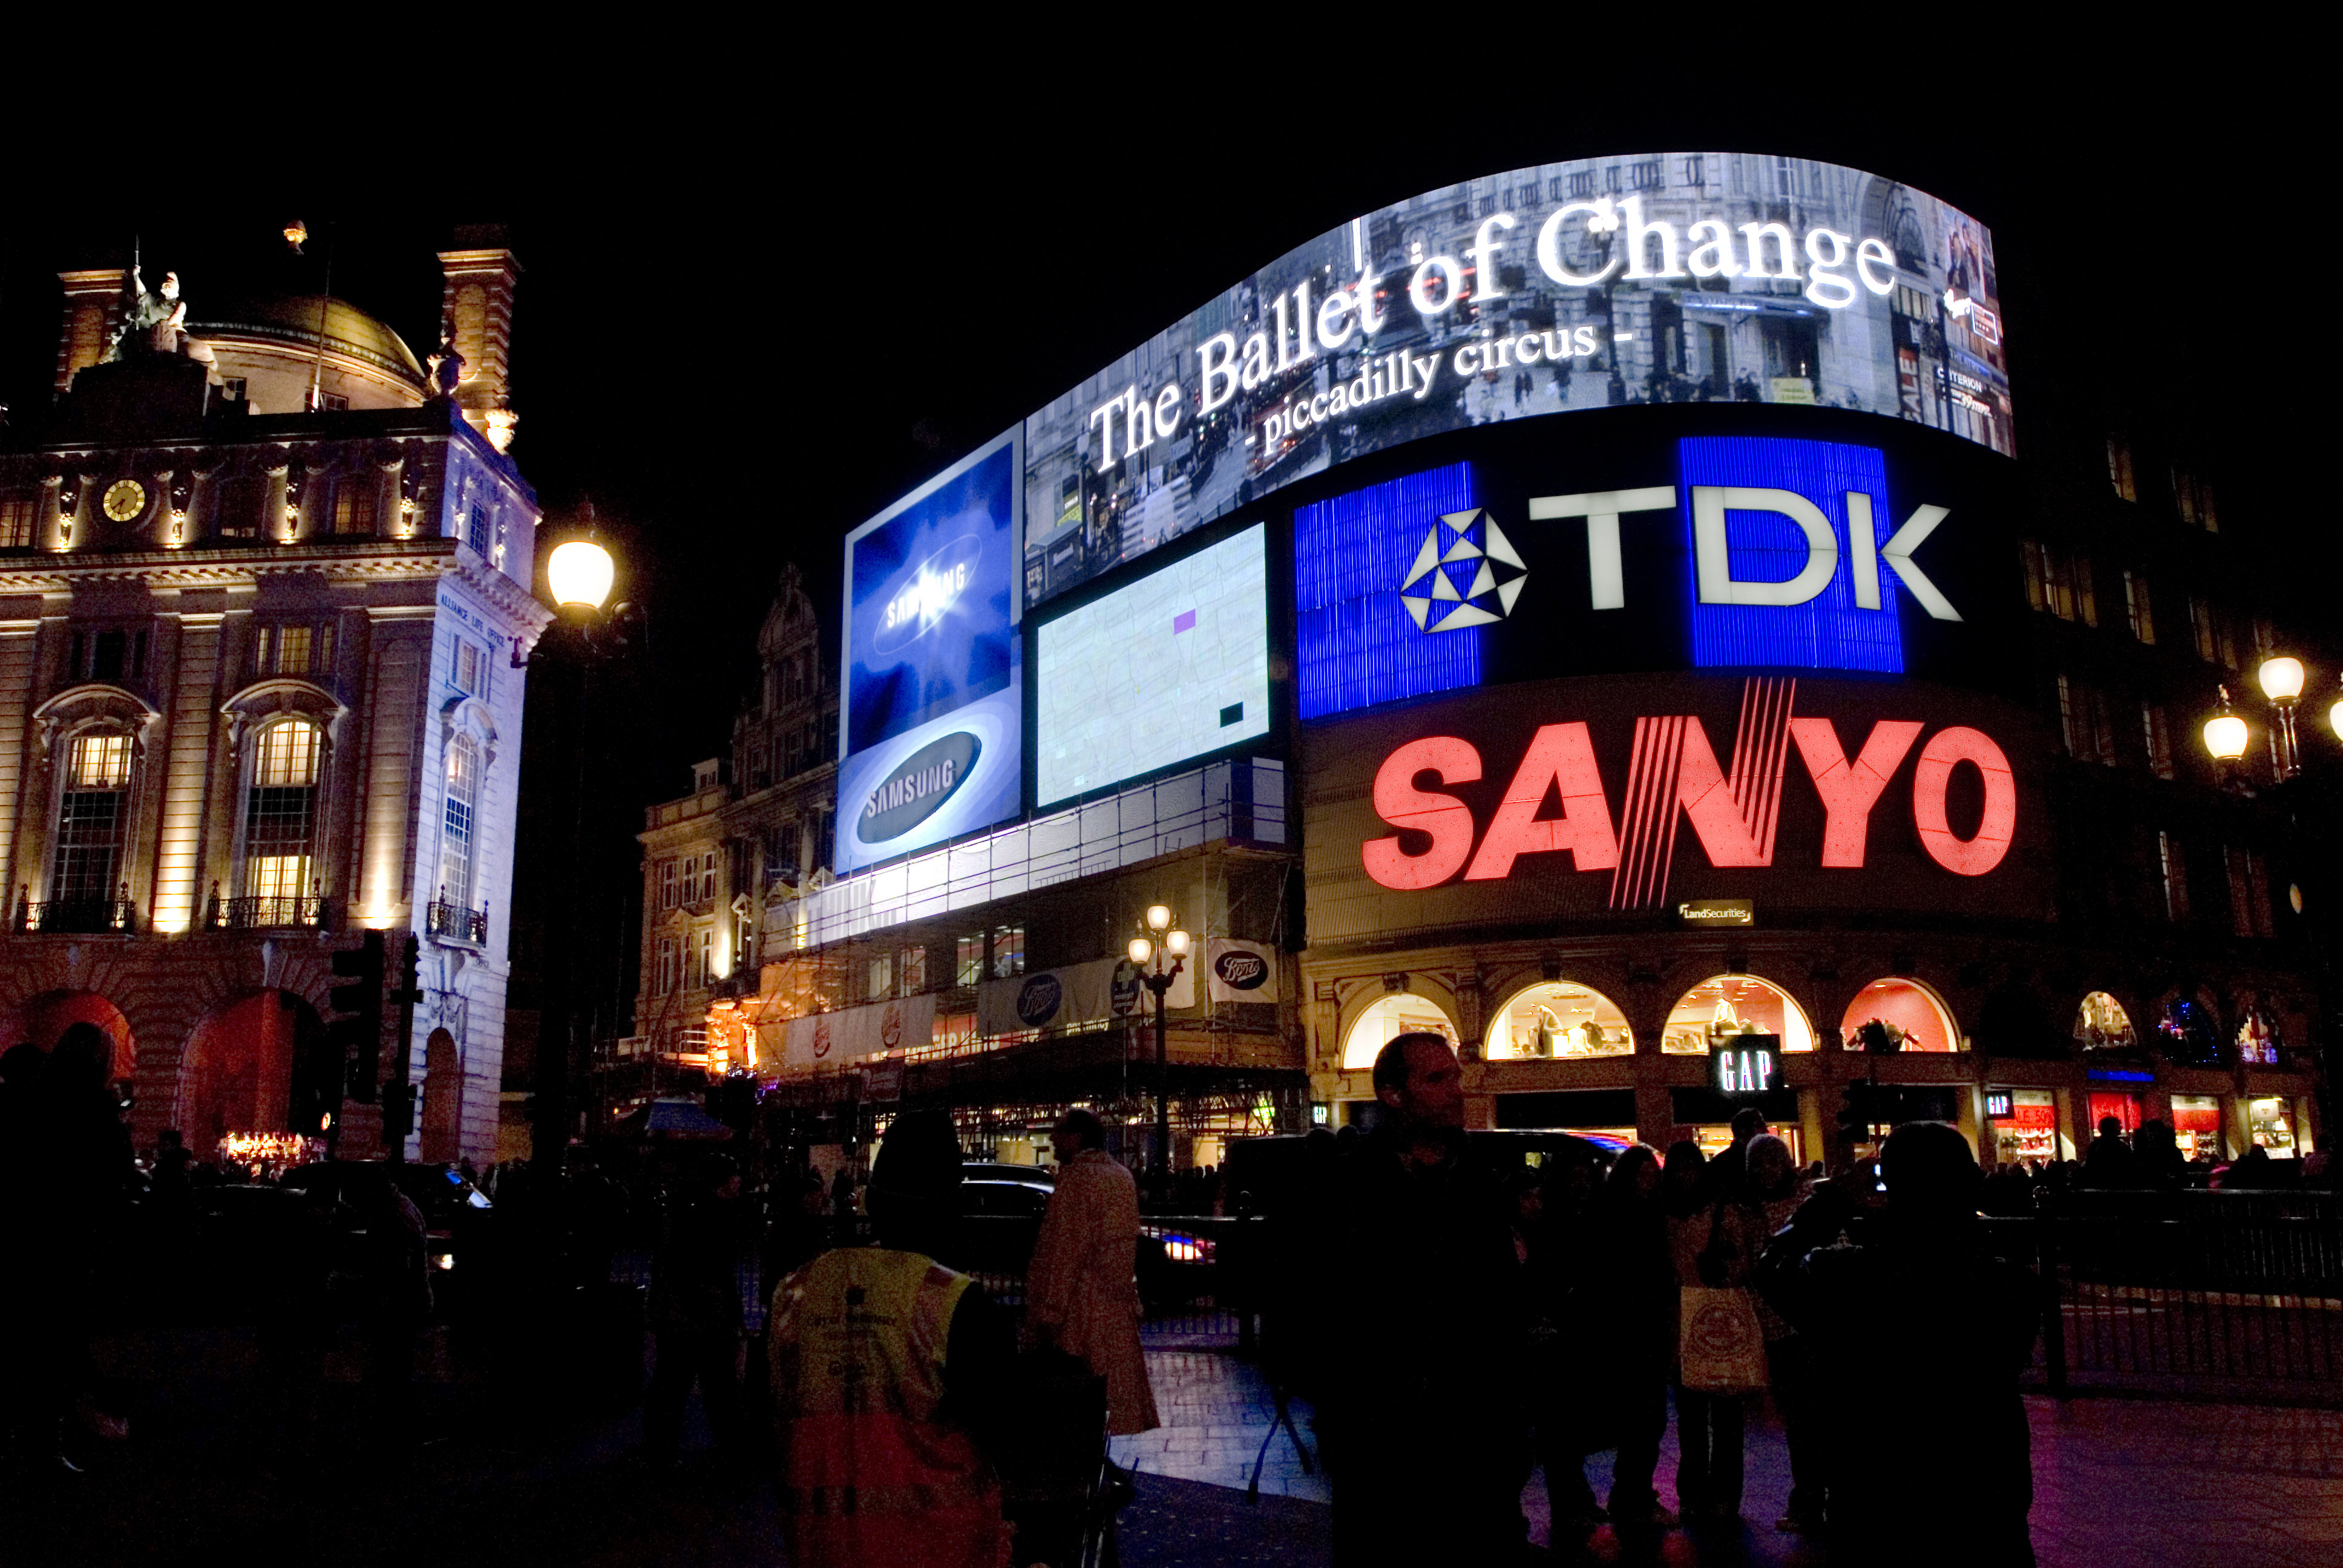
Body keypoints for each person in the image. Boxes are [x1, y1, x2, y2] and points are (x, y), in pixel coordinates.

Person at [1757, 1122, 2037, 1566]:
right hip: (1983, 1500)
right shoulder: (2005, 1285)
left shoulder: (1849, 1277)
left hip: (1879, 1500)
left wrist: (1831, 1201)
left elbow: (1773, 1266)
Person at [1309, 1033, 1530, 1565]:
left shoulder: (1477, 1180)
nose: (1456, 1091)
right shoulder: (1352, 1187)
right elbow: (1325, 1304)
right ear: (1393, 1094)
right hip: (1383, 1433)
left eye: (1455, 1077)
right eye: (1437, 1079)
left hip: (1474, 1430)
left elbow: (1501, 1300)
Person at [770, 1109, 1014, 1568]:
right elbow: (1003, 1429)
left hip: (819, 1544)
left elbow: (770, 1414)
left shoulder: (794, 1291)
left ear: (875, 1202)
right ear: (949, 1203)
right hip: (940, 1545)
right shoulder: (958, 1304)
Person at [1027, 1109, 1159, 1437]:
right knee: (1112, 1396)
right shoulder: (1121, 1177)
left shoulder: (1077, 1181)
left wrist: (1046, 1315)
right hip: (1116, 1307)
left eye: (1059, 1133)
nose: (1054, 1140)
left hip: (1079, 1313)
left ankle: (1085, 1470)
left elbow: (1064, 1253)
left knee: (1075, 1400)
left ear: (1076, 1138)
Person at [1590, 1142, 1679, 1532]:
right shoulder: (1641, 1219)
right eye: (1643, 1175)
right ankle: (1634, 1496)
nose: (1648, 1182)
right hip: (1636, 1330)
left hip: (1638, 1329)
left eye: (1651, 1176)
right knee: (1644, 1419)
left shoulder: (1620, 1216)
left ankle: (1630, 1494)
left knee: (1642, 1420)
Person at [643, 1153, 749, 1469]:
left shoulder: (686, 1208)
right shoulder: (711, 1214)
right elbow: (706, 1267)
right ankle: (728, 1447)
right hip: (701, 1312)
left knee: (673, 1381)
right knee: (715, 1381)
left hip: (685, 1311)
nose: (739, 1181)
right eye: (734, 1176)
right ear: (722, 1180)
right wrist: (718, 1309)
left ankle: (662, 1449)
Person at [2082, 1116, 2137, 1189]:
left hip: (2098, 1184)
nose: (2121, 1128)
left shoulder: (2095, 1145)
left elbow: (2090, 1166)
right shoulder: (2121, 1146)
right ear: (2112, 1128)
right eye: (2118, 1126)